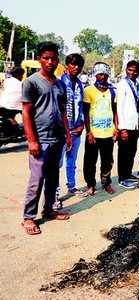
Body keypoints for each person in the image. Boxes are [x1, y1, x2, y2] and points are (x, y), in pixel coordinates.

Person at [21, 42, 72, 235]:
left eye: (53, 58)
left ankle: (49, 209)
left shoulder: (60, 84)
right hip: (39, 139)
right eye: (46, 58)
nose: (50, 62)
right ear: (39, 59)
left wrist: (67, 134)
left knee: (52, 177)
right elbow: (26, 112)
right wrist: (31, 140)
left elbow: (62, 111)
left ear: (58, 60)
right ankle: (28, 217)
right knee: (37, 179)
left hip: (57, 139)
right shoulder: (31, 82)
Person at [53, 53, 86, 210]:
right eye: (73, 64)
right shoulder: (59, 83)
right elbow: (57, 110)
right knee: (57, 163)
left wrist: (82, 125)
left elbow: (81, 108)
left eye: (79, 65)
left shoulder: (80, 84)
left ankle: (71, 187)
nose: (76, 68)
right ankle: (54, 196)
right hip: (61, 130)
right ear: (67, 65)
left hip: (77, 129)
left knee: (71, 161)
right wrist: (64, 131)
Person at [82, 62, 118, 196]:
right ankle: (90, 184)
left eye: (105, 74)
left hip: (108, 132)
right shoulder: (89, 90)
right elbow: (85, 112)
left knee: (107, 161)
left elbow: (114, 111)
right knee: (90, 161)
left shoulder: (112, 91)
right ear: (95, 75)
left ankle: (106, 183)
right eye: (100, 74)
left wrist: (116, 128)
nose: (102, 77)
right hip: (94, 133)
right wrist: (89, 131)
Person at [115, 60, 139, 189]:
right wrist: (122, 128)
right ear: (126, 70)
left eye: (135, 71)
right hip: (125, 125)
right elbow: (119, 108)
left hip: (134, 125)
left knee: (132, 151)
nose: (132, 73)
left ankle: (128, 173)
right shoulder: (122, 84)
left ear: (138, 72)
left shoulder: (137, 83)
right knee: (124, 153)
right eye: (130, 70)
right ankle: (122, 178)